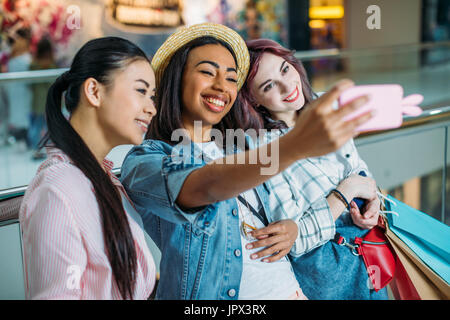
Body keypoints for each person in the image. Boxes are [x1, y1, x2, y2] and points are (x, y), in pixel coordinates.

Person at [120, 23, 373, 300]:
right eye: (207, 72)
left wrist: (295, 227)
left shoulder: (243, 146)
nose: (222, 86)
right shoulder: (145, 160)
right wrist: (295, 145)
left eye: (231, 78)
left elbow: (298, 209)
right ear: (175, 78)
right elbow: (204, 186)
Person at [239, 38, 387, 299]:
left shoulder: (323, 107)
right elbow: (294, 240)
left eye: (285, 69)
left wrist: (374, 201)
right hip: (330, 276)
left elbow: (360, 171)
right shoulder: (263, 150)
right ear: (255, 100)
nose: (288, 86)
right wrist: (346, 191)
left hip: (369, 256)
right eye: (269, 85)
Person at [19, 37, 157, 299]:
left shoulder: (102, 178)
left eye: (153, 96)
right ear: (94, 91)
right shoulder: (59, 190)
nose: (151, 108)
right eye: (141, 91)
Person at [29, 36, 57, 160]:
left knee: (36, 126)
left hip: (37, 102)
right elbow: (54, 84)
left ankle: (36, 149)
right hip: (50, 101)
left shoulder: (33, 65)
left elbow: (30, 85)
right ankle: (52, 150)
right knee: (51, 127)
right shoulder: (51, 65)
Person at [5, 27, 32, 148]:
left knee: (21, 112)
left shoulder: (15, 56)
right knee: (21, 113)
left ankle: (25, 137)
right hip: (19, 90)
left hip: (20, 90)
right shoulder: (22, 57)